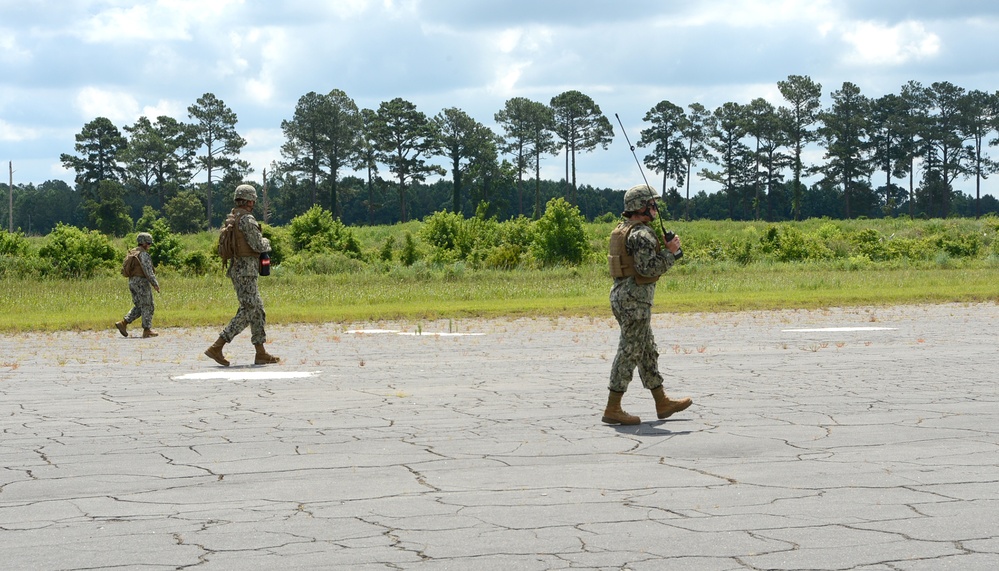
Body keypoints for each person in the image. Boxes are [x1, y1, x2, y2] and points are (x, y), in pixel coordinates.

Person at [604, 183, 692, 425]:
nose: (656, 209)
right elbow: (647, 268)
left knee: (646, 350)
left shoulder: (624, 229)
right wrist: (671, 253)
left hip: (626, 297)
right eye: (652, 205)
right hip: (634, 301)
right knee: (629, 351)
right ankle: (613, 408)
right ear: (641, 207)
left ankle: (662, 401)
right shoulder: (642, 234)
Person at [204, 184, 280, 366]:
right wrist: (267, 242)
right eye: (253, 199)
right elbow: (258, 245)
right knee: (249, 310)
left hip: (239, 269)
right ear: (249, 200)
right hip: (246, 271)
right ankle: (218, 345)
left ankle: (260, 353)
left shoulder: (233, 218)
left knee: (257, 310)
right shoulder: (247, 219)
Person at [115, 232, 160, 338]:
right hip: (141, 283)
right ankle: (147, 330)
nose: (149, 246)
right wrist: (155, 284)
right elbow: (148, 270)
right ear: (144, 243)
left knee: (140, 307)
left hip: (132, 282)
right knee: (148, 305)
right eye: (149, 243)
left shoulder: (133, 252)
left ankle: (123, 323)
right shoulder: (143, 254)